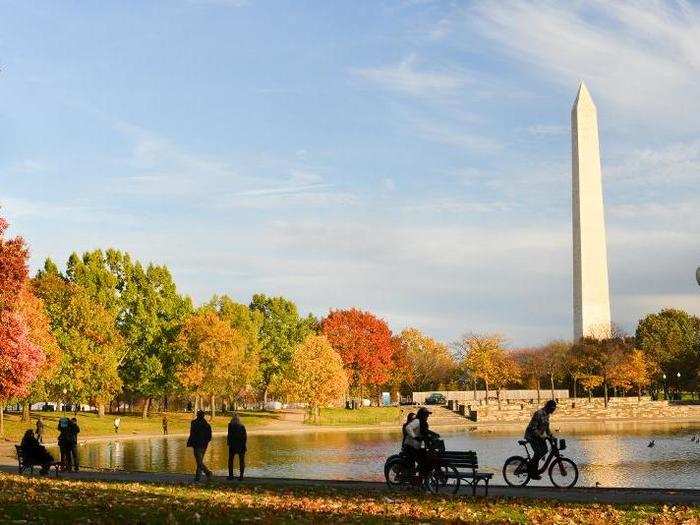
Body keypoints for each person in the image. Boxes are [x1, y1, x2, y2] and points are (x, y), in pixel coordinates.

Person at [404, 407, 439, 487]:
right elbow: (408, 428)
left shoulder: (424, 423)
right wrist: (415, 436)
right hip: (411, 445)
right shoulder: (417, 421)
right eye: (426, 415)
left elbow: (425, 431)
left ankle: (420, 479)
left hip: (417, 446)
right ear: (422, 415)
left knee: (424, 460)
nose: (427, 416)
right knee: (422, 461)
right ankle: (417, 480)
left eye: (428, 415)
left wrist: (434, 434)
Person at [524, 399, 557, 479]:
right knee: (538, 453)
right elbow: (533, 428)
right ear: (548, 407)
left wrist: (552, 436)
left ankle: (533, 468)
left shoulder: (547, 415)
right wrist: (542, 436)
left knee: (544, 450)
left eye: (554, 409)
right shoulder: (538, 413)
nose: (553, 411)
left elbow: (547, 429)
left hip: (539, 437)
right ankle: (532, 471)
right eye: (552, 409)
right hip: (531, 436)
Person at [186, 410, 212, 481]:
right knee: (199, 461)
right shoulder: (207, 425)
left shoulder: (194, 423)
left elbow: (192, 434)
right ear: (203, 416)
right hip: (203, 445)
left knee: (199, 461)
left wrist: (191, 442)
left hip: (197, 444)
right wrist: (206, 442)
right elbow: (209, 436)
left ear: (197, 415)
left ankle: (207, 472)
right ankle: (198, 477)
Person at [227, 413, 247, 481]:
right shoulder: (242, 426)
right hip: (241, 445)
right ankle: (241, 476)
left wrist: (229, 444)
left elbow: (229, 436)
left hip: (232, 445)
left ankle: (231, 475)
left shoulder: (230, 426)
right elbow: (245, 437)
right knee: (241, 461)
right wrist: (244, 445)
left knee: (230, 460)